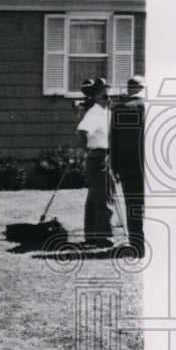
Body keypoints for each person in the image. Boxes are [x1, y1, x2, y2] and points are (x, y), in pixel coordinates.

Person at [110, 74, 146, 257]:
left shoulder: (121, 109)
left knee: (134, 206)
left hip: (129, 166)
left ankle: (138, 247)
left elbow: (114, 141)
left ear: (129, 88)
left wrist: (114, 167)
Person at [76, 77, 115, 247]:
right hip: (98, 157)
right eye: (104, 91)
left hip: (104, 155)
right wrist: (88, 150)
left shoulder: (105, 111)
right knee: (103, 196)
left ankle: (92, 236)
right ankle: (102, 237)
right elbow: (82, 132)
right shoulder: (95, 112)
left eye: (108, 90)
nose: (108, 94)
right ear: (97, 95)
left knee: (95, 197)